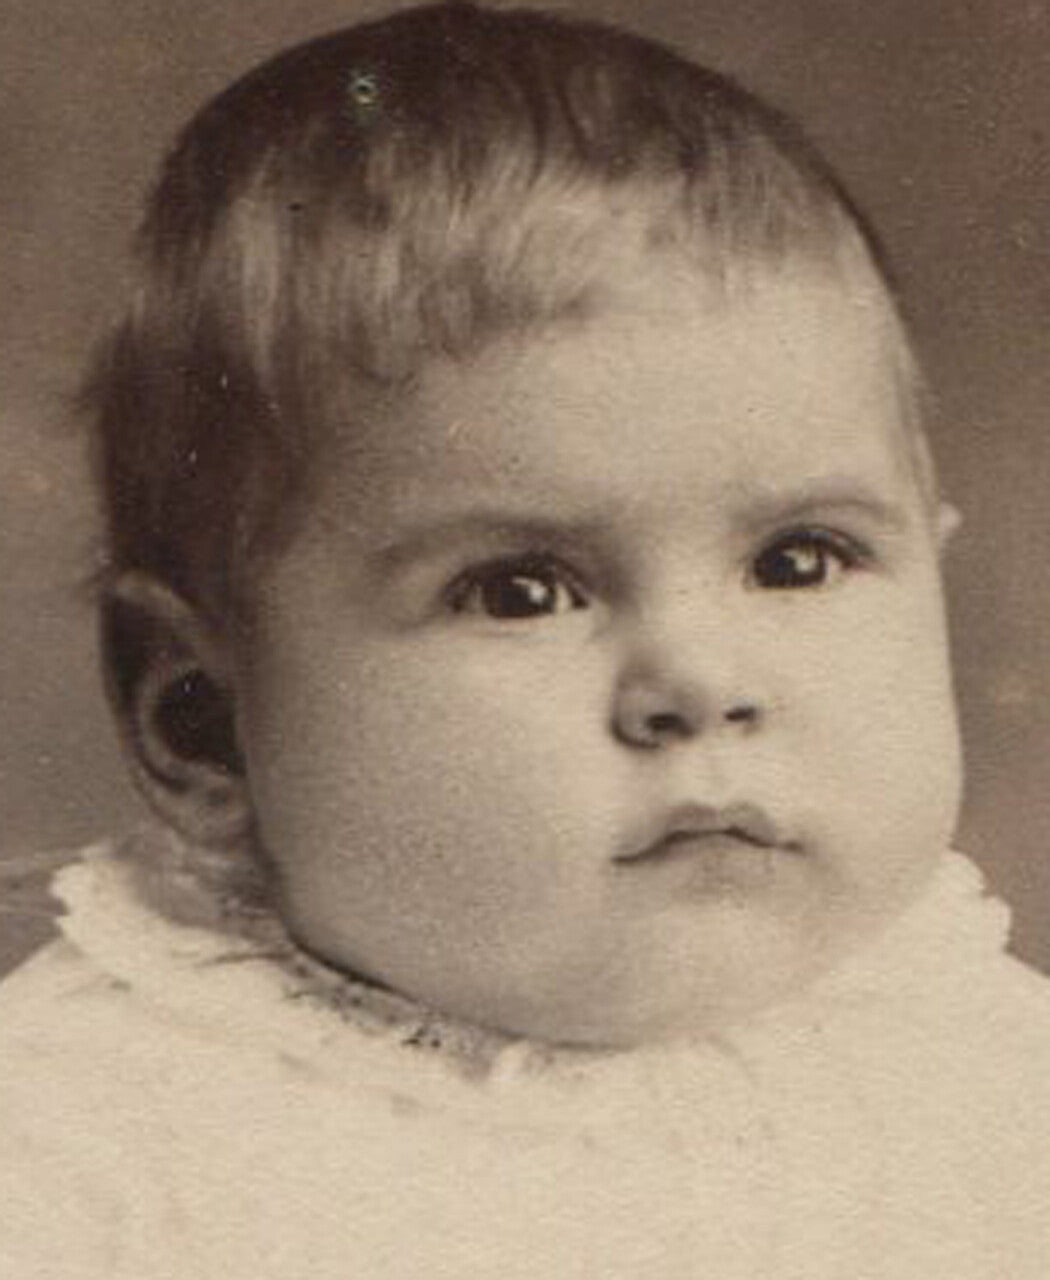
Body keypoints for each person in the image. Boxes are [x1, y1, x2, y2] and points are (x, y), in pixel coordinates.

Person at [3, 3, 1049, 1275]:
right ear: (199, 719)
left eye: (797, 559)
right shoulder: (96, 1143)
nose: (701, 683)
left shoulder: (985, 1072)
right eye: (521, 589)